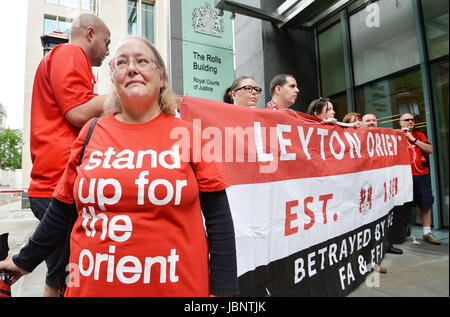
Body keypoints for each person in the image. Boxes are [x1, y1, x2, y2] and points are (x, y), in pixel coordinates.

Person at [0, 36, 238, 297]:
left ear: (161, 77)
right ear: (113, 79)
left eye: (142, 61)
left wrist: (223, 290)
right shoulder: (90, 133)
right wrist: (24, 261)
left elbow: (219, 219)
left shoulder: (190, 135)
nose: (132, 68)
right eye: (121, 62)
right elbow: (60, 210)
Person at [27, 13, 111, 297]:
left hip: (52, 186)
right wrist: (127, 96)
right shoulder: (70, 52)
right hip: (59, 187)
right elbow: (77, 112)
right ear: (90, 33)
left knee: (58, 278)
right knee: (70, 278)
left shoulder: (66, 58)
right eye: (106, 41)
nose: (108, 50)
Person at [399, 113, 441, 245]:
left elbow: (430, 149)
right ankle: (402, 233)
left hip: (422, 174)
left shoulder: (419, 135)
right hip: (404, 175)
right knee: (404, 204)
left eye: (412, 119)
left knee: (425, 203)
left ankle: (427, 232)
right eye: (407, 120)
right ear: (400, 123)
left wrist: (413, 139)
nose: (410, 121)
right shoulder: (395, 136)